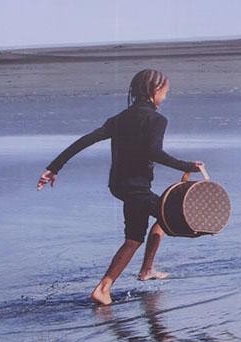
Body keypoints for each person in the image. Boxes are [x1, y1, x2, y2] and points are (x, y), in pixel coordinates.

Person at [37, 68, 205, 305]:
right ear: (154, 91)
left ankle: (143, 271)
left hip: (119, 186)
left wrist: (54, 167)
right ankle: (105, 287)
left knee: (139, 234)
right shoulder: (156, 119)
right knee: (171, 216)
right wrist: (187, 165)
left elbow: (85, 140)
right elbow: (153, 151)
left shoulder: (119, 119)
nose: (165, 98)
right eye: (165, 93)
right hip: (136, 188)